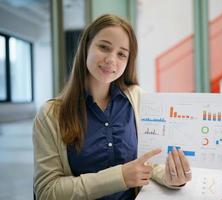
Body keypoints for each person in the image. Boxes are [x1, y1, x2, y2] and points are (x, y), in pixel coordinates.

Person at [33, 14, 192, 200]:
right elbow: (47, 191)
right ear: (86, 47)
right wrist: (120, 177)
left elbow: (150, 162)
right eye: (104, 47)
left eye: (122, 54)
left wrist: (171, 177)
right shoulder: (50, 115)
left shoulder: (137, 98)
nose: (111, 59)